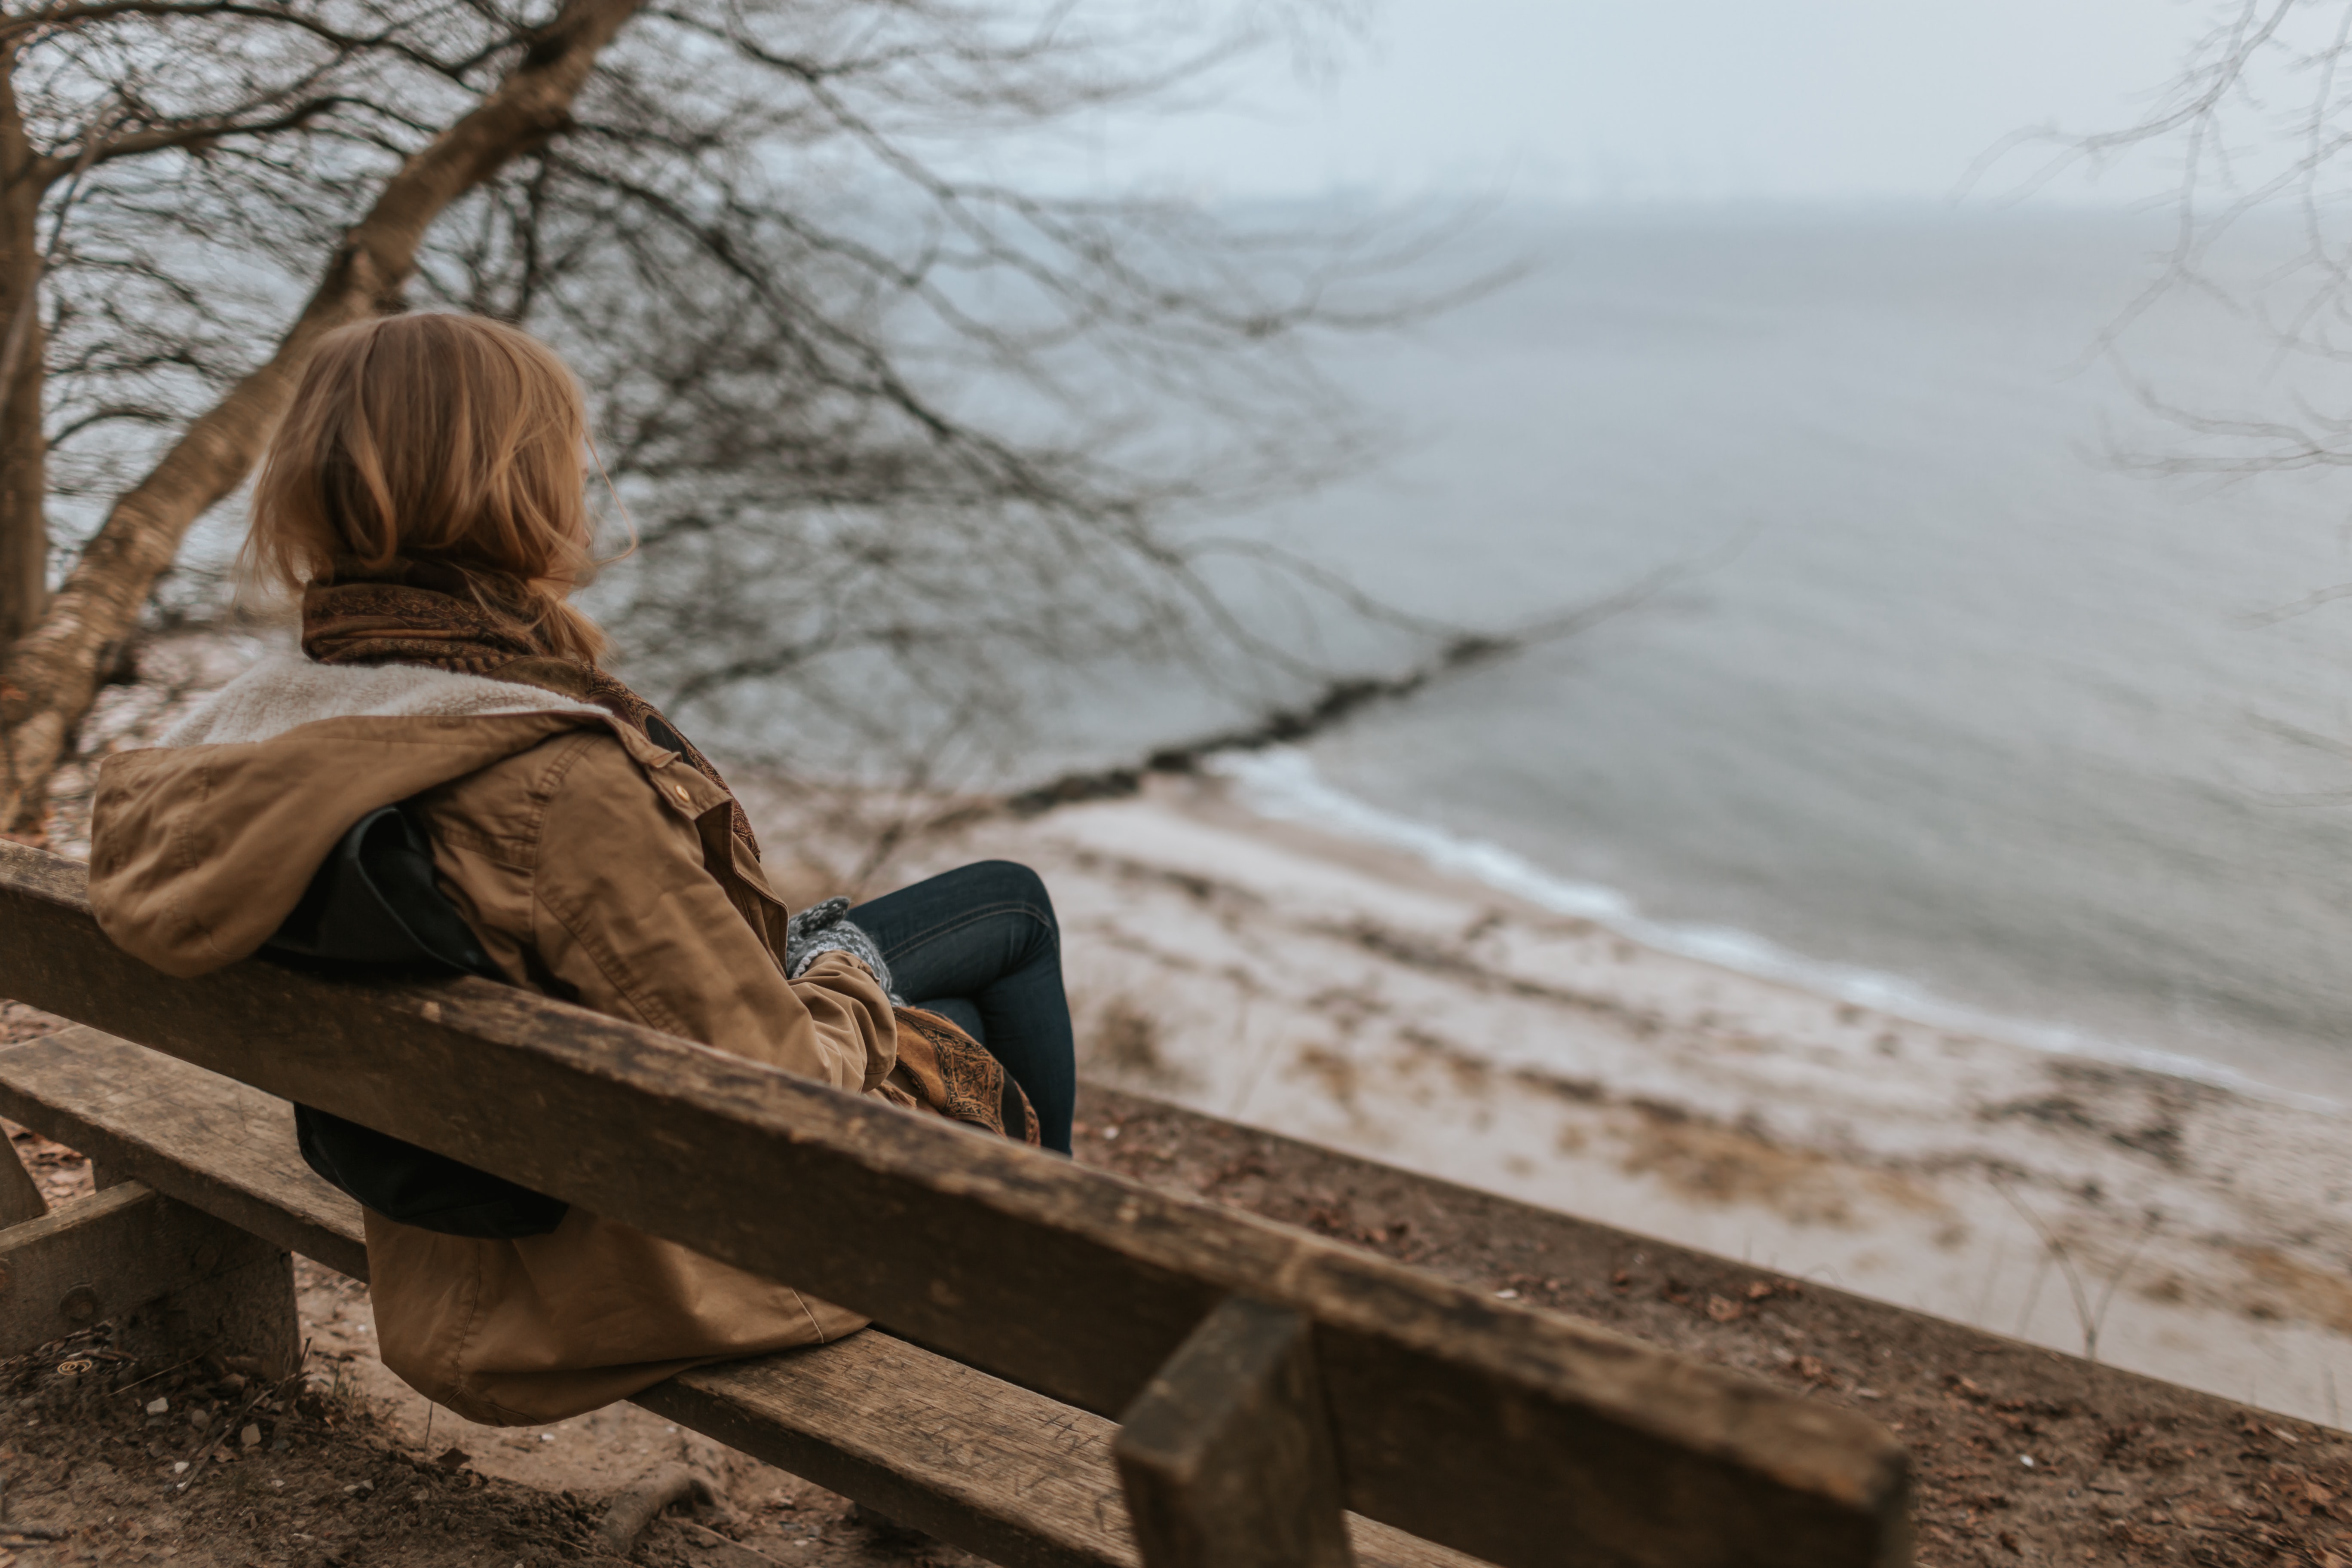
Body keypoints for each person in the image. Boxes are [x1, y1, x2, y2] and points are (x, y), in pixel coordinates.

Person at [83, 311, 1078, 1427]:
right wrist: (842, 970)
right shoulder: (549, 780)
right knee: (994, 947)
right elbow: (779, 1092)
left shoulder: (243, 731)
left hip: (454, 1228)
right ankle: (1057, 1341)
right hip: (618, 1271)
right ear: (520, 486)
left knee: (997, 905)